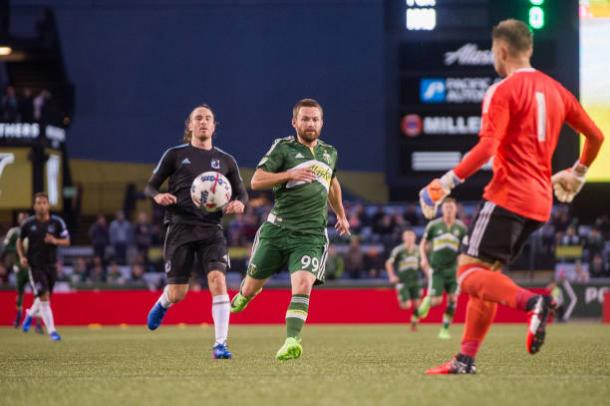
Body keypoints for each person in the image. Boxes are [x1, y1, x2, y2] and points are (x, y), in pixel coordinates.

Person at [419, 19, 604, 374]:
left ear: (501, 51)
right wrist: (578, 172)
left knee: (466, 274)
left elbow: (487, 147)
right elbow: (595, 136)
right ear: (529, 49)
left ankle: (534, 303)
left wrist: (444, 184)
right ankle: (464, 360)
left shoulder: (502, 91)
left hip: (508, 195)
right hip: (540, 203)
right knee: (486, 277)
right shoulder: (557, 90)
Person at [230, 98, 350, 361]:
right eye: (305, 119)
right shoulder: (283, 148)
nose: (310, 123)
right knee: (250, 288)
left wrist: (340, 214)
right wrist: (289, 175)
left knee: (303, 284)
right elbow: (257, 180)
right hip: (276, 231)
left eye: (315, 119)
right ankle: (245, 294)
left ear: (322, 122)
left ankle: (292, 340)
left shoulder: (330, 152)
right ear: (294, 122)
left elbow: (332, 183)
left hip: (311, 235)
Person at [144, 103, 248, 359]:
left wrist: (240, 203)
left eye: (208, 119)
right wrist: (158, 197)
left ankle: (220, 344)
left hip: (212, 228)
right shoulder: (175, 155)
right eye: (198, 118)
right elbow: (150, 186)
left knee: (218, 280)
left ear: (214, 126)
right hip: (179, 226)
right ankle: (164, 301)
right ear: (189, 125)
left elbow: (242, 192)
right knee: (179, 292)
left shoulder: (226, 160)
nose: (203, 122)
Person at [18, 193, 71, 341]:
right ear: (34, 206)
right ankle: (52, 331)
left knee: (44, 298)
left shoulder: (57, 223)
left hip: (51, 266)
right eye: (38, 203)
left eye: (44, 203)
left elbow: (67, 241)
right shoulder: (28, 224)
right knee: (44, 297)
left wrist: (55, 240)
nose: (41, 205)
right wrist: (22, 257)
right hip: (35, 266)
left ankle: (29, 314)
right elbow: (19, 241)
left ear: (48, 205)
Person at [417, 198, 467, 339]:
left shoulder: (461, 228)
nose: (449, 210)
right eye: (446, 207)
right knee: (436, 301)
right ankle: (428, 300)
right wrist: (423, 258)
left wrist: (462, 263)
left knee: (453, 300)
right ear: (442, 209)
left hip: (453, 270)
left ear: (455, 209)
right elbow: (423, 244)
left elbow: (464, 250)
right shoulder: (434, 226)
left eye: (451, 207)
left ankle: (444, 329)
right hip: (437, 269)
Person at [1, 211, 42, 332]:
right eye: (22, 218)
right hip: (19, 266)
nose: (24, 220)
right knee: (19, 292)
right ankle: (19, 314)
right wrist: (18, 249)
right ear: (19, 220)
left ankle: (38, 323)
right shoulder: (14, 232)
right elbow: (6, 247)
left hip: (33, 267)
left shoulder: (34, 232)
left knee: (38, 294)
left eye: (26, 218)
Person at [385, 230, 422, 331]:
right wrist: (392, 276)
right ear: (404, 238)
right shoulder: (399, 250)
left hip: (415, 280)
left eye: (411, 237)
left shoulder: (419, 250)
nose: (410, 239)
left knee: (417, 304)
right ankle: (399, 292)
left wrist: (428, 275)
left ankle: (414, 324)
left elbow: (423, 263)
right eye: (407, 237)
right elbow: (388, 263)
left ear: (414, 238)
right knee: (406, 305)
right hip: (403, 281)